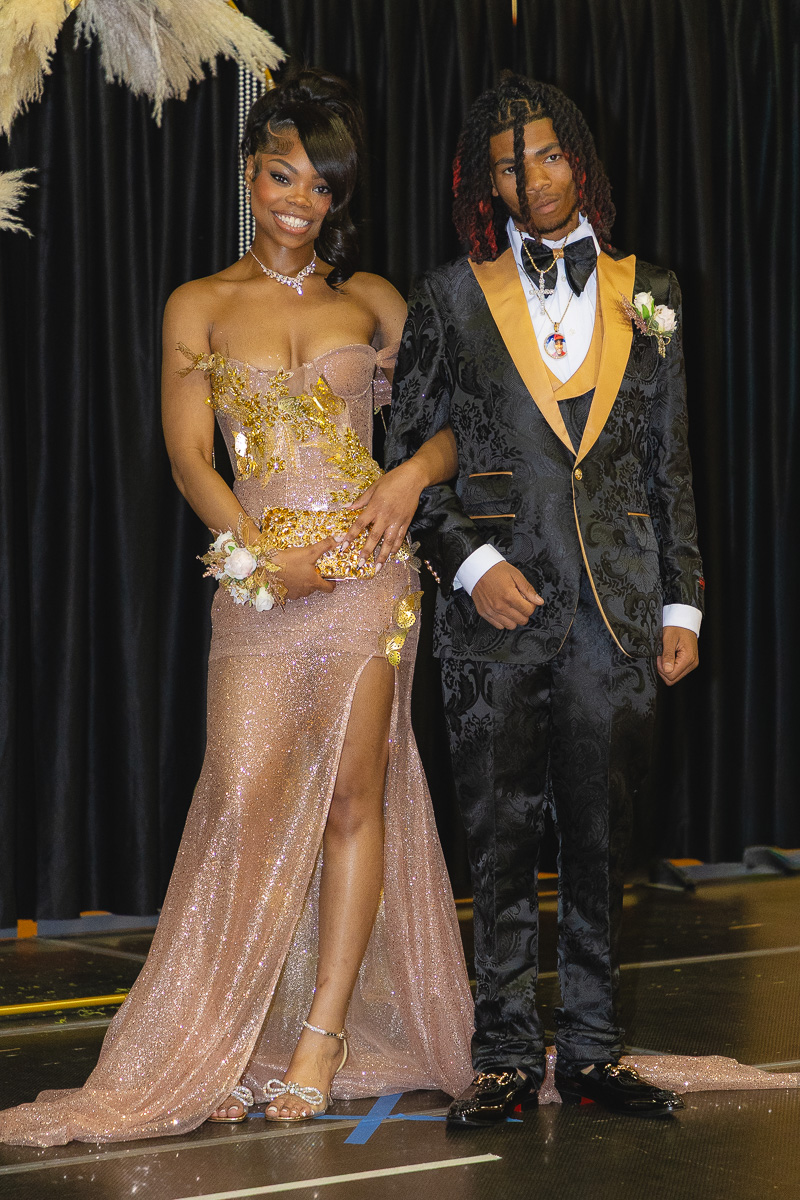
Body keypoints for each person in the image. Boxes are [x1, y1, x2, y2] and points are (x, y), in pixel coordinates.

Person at [0, 67, 473, 1148]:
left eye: (320, 184)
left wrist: (405, 481)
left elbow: (456, 431)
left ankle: (317, 1038)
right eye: (280, 177)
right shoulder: (199, 303)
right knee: (244, 796)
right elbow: (186, 459)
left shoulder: (378, 303)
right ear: (248, 177)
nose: (299, 201)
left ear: (341, 196)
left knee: (356, 801)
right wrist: (255, 557)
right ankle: (227, 1038)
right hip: (259, 584)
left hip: (366, 582)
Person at [384, 73, 705, 1126]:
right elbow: (407, 459)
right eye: (512, 164)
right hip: (496, 617)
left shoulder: (644, 288)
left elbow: (668, 466)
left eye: (550, 154)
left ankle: (598, 1051)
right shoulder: (448, 295)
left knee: (601, 837)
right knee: (499, 836)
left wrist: (681, 605)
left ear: (580, 158)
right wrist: (471, 565)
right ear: (491, 184)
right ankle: (507, 1059)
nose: (536, 176)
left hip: (615, 615)